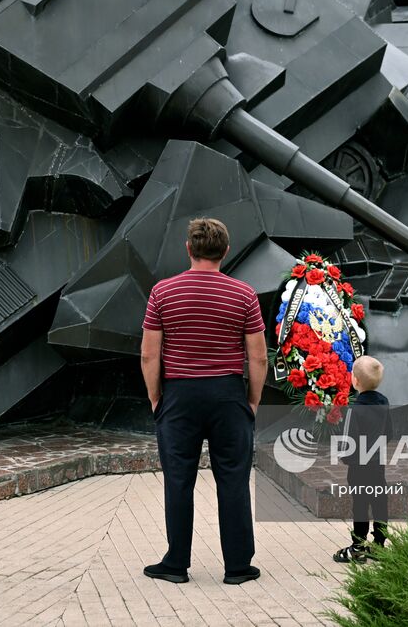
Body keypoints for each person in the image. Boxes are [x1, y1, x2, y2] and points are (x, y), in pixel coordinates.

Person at [140, 217, 267, 586]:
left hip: (179, 396)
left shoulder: (162, 292)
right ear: (225, 251)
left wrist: (156, 398)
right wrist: (252, 401)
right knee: (234, 479)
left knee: (178, 480)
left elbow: (149, 354)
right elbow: (258, 357)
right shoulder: (244, 295)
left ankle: (176, 563)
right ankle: (238, 566)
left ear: (188, 249)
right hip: (228, 395)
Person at [334, 355, 391, 563]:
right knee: (380, 503)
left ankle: (357, 547)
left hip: (359, 467)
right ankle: (379, 546)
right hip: (377, 465)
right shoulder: (384, 403)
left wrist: (345, 458)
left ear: (355, 381)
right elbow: (389, 433)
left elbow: (347, 441)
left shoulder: (354, 409)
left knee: (360, 505)